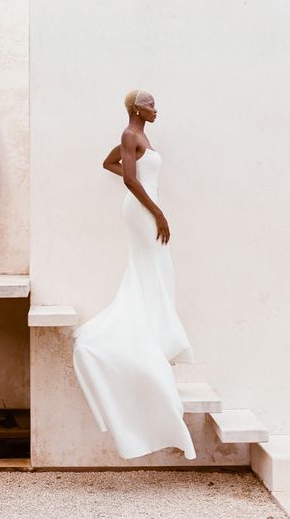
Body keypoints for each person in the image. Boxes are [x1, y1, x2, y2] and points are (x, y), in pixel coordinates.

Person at [72, 90, 196, 460]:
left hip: (145, 207)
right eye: (152, 104)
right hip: (142, 211)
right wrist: (157, 212)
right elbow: (126, 177)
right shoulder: (130, 134)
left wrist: (148, 193)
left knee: (156, 271)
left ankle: (155, 336)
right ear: (137, 108)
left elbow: (110, 163)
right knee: (153, 269)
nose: (157, 108)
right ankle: (144, 338)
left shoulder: (140, 137)